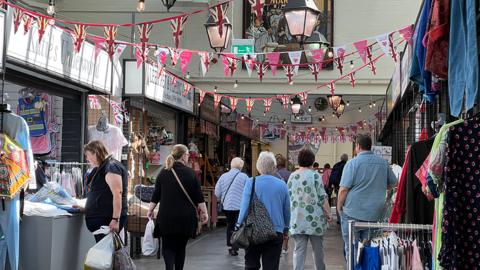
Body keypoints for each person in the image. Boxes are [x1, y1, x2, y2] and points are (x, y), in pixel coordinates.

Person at [337, 134, 397, 265]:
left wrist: (339, 207)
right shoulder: (383, 163)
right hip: (375, 214)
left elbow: (343, 190)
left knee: (351, 248)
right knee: (370, 248)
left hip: (352, 212)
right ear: (370, 147)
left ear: (357, 146)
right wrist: (379, 185)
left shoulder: (352, 163)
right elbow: (394, 183)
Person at [147, 144, 209, 270]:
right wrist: (205, 213)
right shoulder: (191, 174)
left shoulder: (163, 173)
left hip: (166, 217)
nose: (188, 157)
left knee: (168, 247)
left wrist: (150, 210)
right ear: (182, 156)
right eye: (187, 155)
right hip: (185, 218)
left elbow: (156, 195)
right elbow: (199, 197)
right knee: (181, 248)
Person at [237, 151, 290, 270]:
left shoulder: (251, 182)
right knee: (271, 266)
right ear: (274, 167)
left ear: (258, 166)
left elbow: (244, 206)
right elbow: (287, 210)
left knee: (251, 265)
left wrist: (238, 224)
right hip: (275, 231)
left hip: (253, 230)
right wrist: (286, 228)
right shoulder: (282, 185)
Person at [288, 149, 333, 270]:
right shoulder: (315, 175)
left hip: (298, 219)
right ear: (312, 161)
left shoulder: (292, 176)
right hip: (315, 220)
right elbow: (322, 197)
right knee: (318, 250)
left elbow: (289, 197)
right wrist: (329, 213)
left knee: (299, 250)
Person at [83, 140, 129, 242]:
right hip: (102, 220)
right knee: (104, 255)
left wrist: (115, 219)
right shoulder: (101, 167)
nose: (86, 158)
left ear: (95, 153)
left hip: (107, 220)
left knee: (106, 255)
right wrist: (85, 208)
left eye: (87, 155)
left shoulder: (111, 166)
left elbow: (117, 193)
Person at [215, 157, 249, 256]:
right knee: (239, 225)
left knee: (230, 224)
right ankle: (238, 244)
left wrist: (223, 197)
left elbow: (217, 192)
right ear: (241, 166)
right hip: (240, 206)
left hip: (227, 206)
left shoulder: (223, 176)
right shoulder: (244, 177)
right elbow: (249, 191)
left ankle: (231, 245)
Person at [329, 154, 348, 224]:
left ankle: (339, 219)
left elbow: (331, 175)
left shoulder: (336, 165)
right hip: (344, 185)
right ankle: (343, 218)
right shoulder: (347, 165)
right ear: (346, 159)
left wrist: (330, 185)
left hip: (336, 186)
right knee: (344, 202)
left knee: (338, 201)